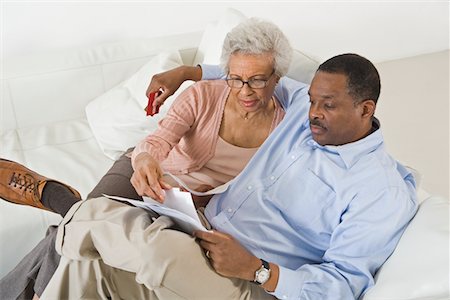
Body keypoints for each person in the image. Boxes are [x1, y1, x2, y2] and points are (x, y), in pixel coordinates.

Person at [39, 53, 417, 300]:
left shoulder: (381, 192)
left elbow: (344, 285)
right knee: (94, 269)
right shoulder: (307, 106)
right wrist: (188, 72)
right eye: (314, 99)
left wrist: (259, 269)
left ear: (366, 109)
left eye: (328, 105)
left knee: (152, 246)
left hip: (254, 284)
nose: (312, 111)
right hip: (203, 237)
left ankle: (74, 214)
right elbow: (251, 75)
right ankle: (83, 225)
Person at [0, 18, 290, 300]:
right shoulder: (203, 95)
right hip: (145, 175)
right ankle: (67, 205)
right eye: (236, 79)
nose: (245, 91)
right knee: (84, 226)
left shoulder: (285, 129)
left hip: (191, 210)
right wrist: (146, 161)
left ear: (277, 77)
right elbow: (157, 140)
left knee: (76, 231)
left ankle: (63, 202)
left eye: (257, 80)